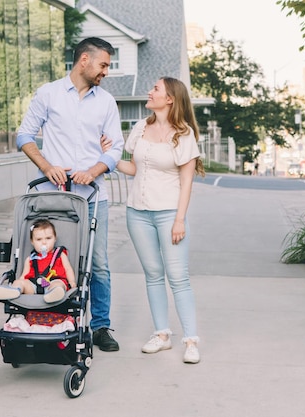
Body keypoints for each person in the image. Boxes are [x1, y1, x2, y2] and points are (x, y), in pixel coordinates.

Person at [16, 37, 125, 351]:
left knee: (98, 263)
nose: (106, 71)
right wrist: (47, 166)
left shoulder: (106, 102)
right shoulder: (48, 94)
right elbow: (23, 135)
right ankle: (53, 317)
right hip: (54, 197)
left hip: (92, 197)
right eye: (103, 64)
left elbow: (116, 148)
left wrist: (92, 171)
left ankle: (100, 326)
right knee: (53, 258)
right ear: (85, 60)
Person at [111, 76, 204, 364]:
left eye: (155, 89)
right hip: (137, 212)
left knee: (178, 278)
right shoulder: (141, 127)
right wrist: (109, 157)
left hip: (168, 214)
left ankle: (190, 341)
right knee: (153, 275)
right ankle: (162, 335)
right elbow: (135, 168)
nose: (149, 92)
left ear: (170, 99)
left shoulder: (184, 134)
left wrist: (180, 220)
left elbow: (186, 181)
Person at [0, 219, 76, 303]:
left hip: (53, 281)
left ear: (55, 238)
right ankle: (14, 290)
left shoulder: (60, 255)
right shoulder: (31, 259)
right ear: (32, 242)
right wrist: (19, 282)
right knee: (20, 282)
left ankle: (53, 294)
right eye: (39, 239)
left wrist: (72, 282)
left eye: (48, 238)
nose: (44, 242)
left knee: (59, 284)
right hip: (34, 285)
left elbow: (68, 269)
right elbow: (24, 275)